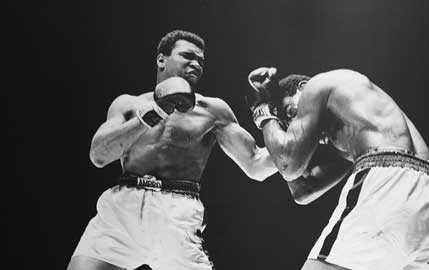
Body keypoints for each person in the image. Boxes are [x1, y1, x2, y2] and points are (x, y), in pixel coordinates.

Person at [67, 30, 278, 270]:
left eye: (201, 61)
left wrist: (286, 128)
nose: (196, 63)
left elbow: (256, 164)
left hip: (177, 213)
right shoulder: (128, 104)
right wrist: (153, 114)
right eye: (188, 56)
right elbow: (99, 155)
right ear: (161, 60)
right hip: (122, 209)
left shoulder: (213, 110)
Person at [247, 67, 429, 270]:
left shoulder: (318, 85)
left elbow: (288, 165)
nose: (295, 125)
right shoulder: (356, 133)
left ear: (302, 87)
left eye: (291, 112)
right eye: (288, 123)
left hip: (390, 180)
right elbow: (303, 189)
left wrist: (264, 110)